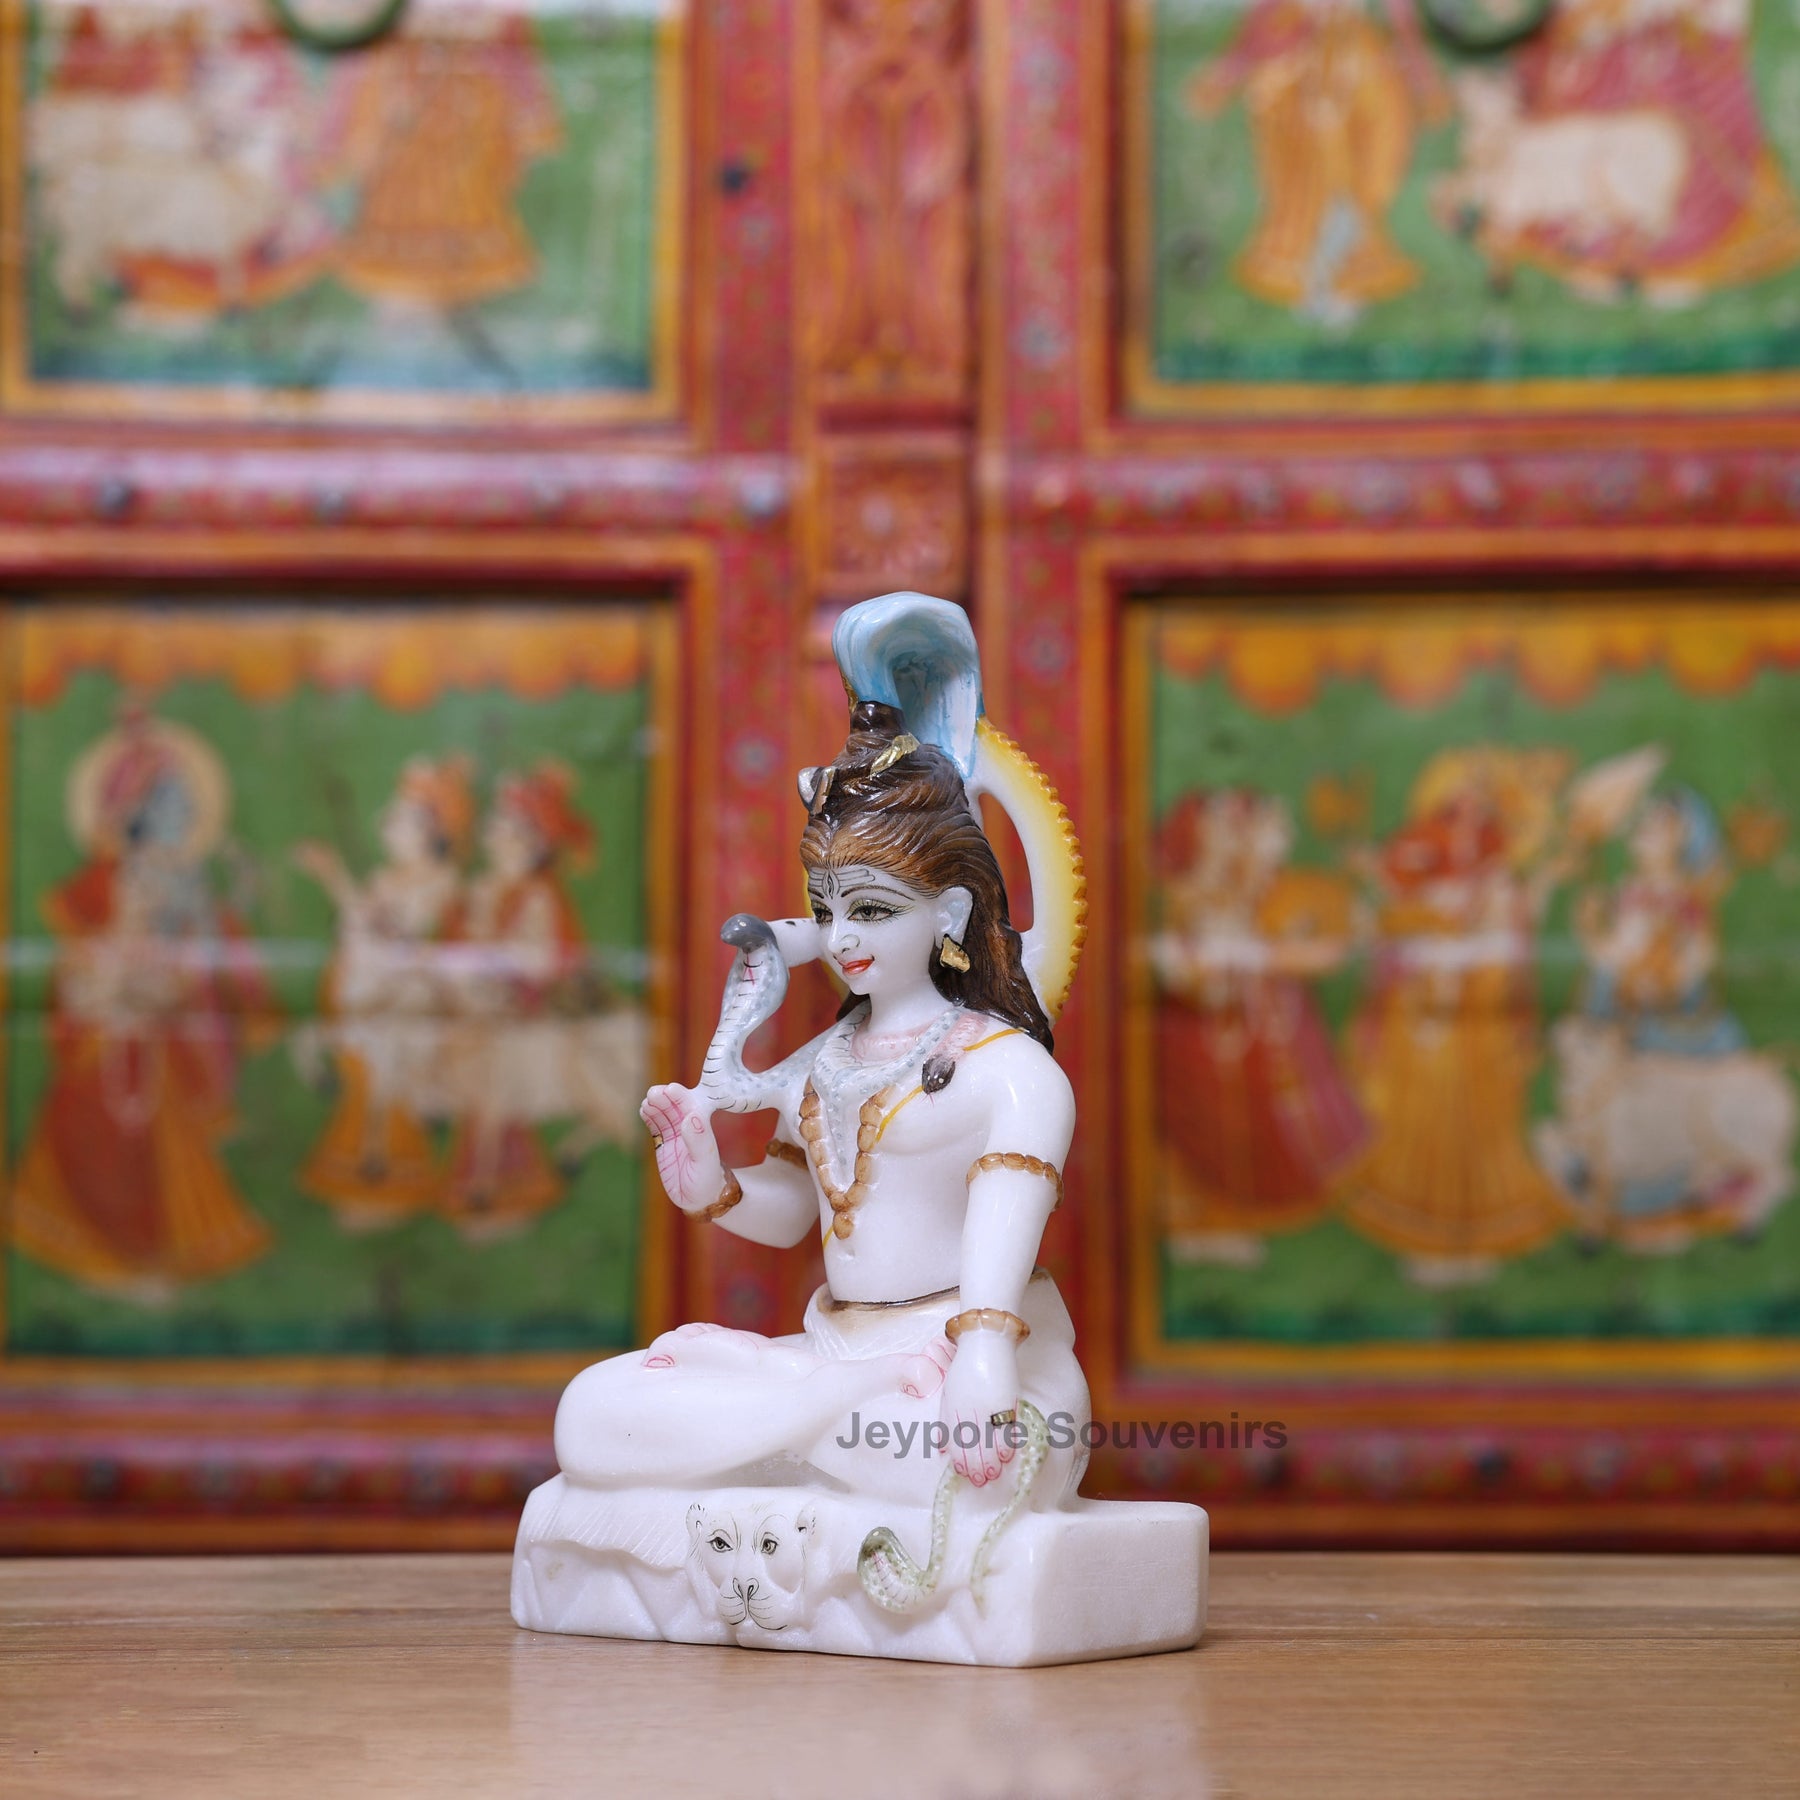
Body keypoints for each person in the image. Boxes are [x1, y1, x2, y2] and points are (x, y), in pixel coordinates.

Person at [553, 697, 1090, 1504]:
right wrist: (714, 1188)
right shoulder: (824, 1060)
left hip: (971, 1362)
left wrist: (982, 1361)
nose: (839, 939)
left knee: (970, 1469)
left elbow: (1001, 1231)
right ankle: (818, 1390)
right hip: (839, 1353)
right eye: (824, 910)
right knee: (592, 1411)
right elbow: (798, 1211)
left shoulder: (1010, 1072)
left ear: (949, 912)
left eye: (870, 910)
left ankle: (794, 1400)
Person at [11, 711, 273, 1300]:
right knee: (98, 1152)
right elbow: (72, 984)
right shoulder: (91, 902)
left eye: (185, 808)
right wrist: (108, 984)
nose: (179, 822)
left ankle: (146, 1256)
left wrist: (172, 970)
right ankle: (104, 1251)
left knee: (156, 1162)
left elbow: (193, 974)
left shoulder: (180, 901)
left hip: (157, 1062)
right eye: (166, 807)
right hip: (98, 1060)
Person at [1340, 748, 1573, 1285]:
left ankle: (1479, 1228)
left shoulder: (1498, 873)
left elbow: (1515, 932)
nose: (1469, 814)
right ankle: (1420, 1228)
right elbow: (1394, 929)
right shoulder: (1413, 861)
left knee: (1479, 1121)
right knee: (1424, 1115)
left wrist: (1534, 887)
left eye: (1481, 804)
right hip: (1422, 1017)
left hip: (1481, 1017)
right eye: (1456, 804)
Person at [1151, 787, 1368, 1266]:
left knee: (1257, 1117)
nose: (1267, 870)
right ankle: (1208, 1218)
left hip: (1243, 1021)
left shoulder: (1242, 894)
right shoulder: (1188, 898)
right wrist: (1268, 957)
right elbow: (1188, 963)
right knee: (1211, 1122)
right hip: (1204, 1030)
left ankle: (1237, 1208)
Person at [292, 755, 471, 1228]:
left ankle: (387, 1163)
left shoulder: (440, 880)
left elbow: (412, 939)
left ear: (431, 832)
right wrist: (333, 876)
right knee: (356, 1055)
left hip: (414, 987)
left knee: (388, 1054)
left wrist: (342, 883)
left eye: (401, 820)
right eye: (390, 818)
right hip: (372, 977)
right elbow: (359, 925)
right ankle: (358, 1167)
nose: (386, 828)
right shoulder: (385, 878)